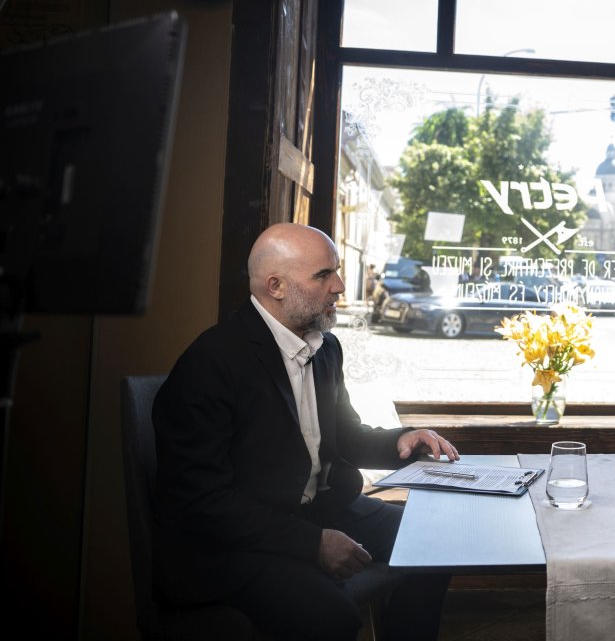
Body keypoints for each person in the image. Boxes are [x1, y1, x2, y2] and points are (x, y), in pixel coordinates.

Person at [152, 222, 459, 641]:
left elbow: (344, 436)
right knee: (330, 617)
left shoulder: (325, 347)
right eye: (323, 275)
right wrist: (312, 543)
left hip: (321, 511)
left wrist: (400, 441)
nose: (339, 287)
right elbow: (201, 501)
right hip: (235, 543)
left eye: (336, 272)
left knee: (437, 540)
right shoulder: (211, 362)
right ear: (276, 286)